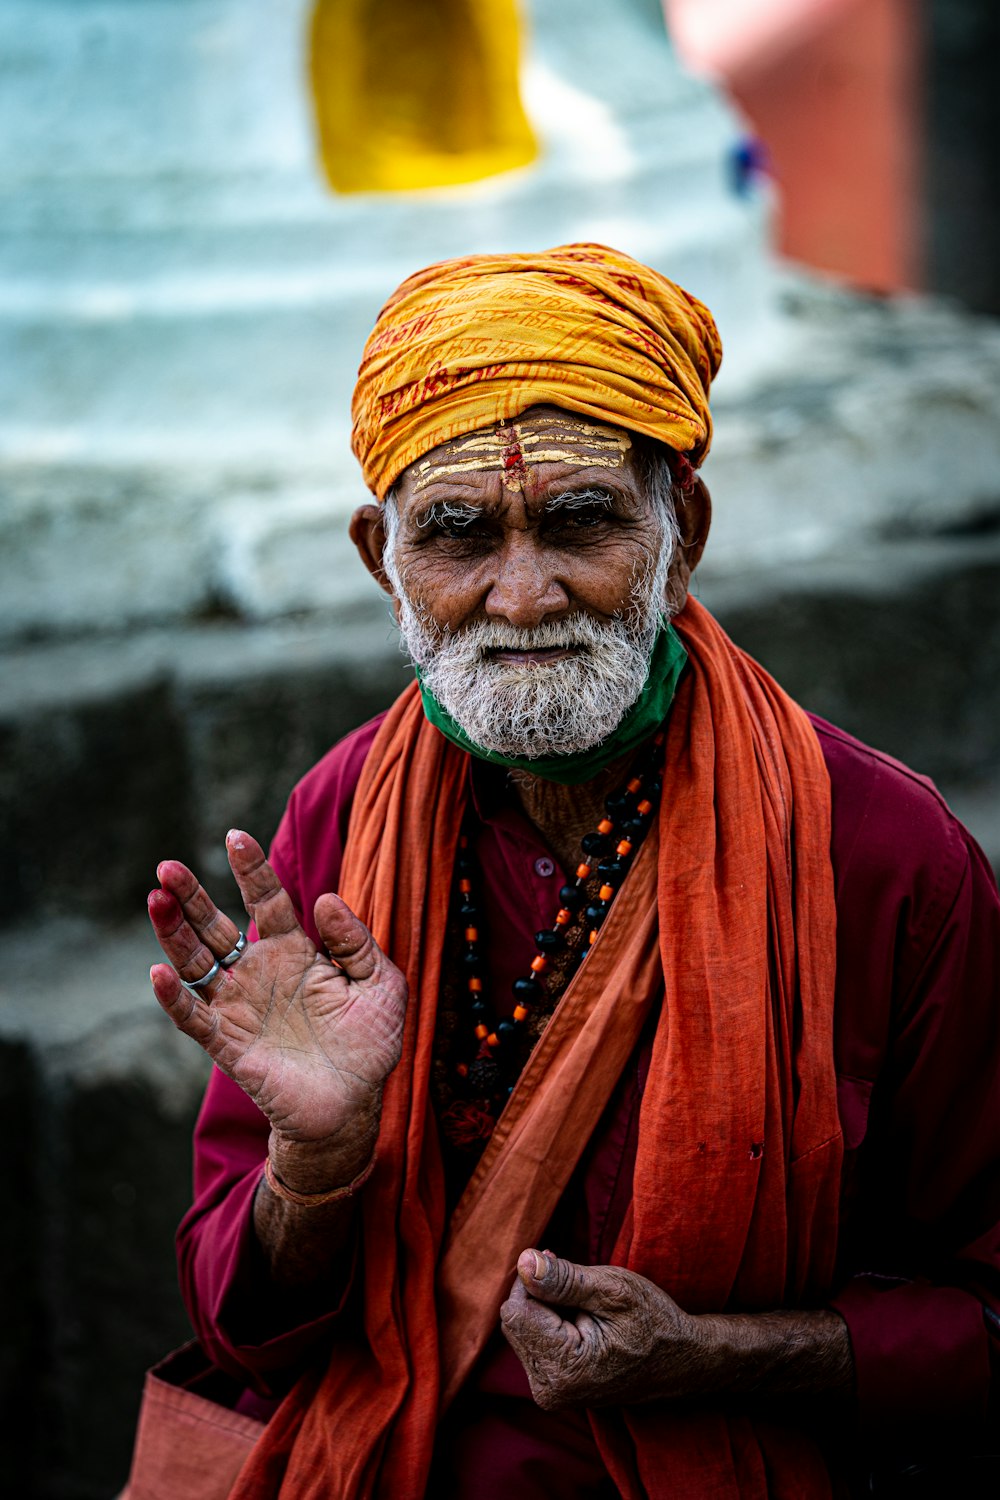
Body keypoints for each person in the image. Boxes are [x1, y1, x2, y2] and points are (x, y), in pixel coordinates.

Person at [146, 245, 1000, 1499]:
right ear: (381, 556)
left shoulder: (876, 852)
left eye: (581, 518)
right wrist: (312, 1171)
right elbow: (241, 1323)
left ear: (683, 531)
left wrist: (719, 1359)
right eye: (457, 532)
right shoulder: (337, 821)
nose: (523, 592)